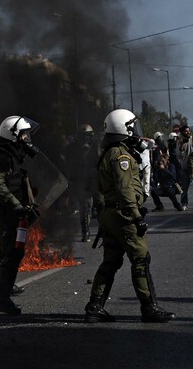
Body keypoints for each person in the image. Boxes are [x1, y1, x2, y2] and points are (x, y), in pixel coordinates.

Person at [84, 108, 175, 323]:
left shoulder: (109, 152)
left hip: (110, 213)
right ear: (123, 129)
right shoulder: (121, 155)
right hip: (123, 214)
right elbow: (125, 189)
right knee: (141, 259)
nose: (137, 132)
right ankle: (149, 308)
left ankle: (95, 307)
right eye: (133, 127)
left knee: (111, 261)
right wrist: (135, 215)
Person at [0, 116, 40, 315]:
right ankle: (0, 300)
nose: (27, 138)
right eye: (24, 134)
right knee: (10, 255)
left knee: (13, 254)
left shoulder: (13, 154)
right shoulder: (3, 156)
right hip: (6, 214)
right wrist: (16, 205)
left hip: (15, 213)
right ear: (14, 135)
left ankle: (0, 297)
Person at [65, 124, 103, 242]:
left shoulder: (96, 145)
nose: (85, 139)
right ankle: (85, 232)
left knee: (100, 205)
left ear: (91, 136)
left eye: (87, 136)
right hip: (81, 180)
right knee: (84, 207)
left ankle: (103, 230)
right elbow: (69, 164)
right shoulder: (72, 148)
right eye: (83, 136)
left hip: (95, 180)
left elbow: (101, 161)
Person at [177, 125, 193, 210]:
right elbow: (179, 153)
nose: (188, 132)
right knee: (184, 187)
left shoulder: (192, 139)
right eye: (186, 131)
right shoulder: (180, 141)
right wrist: (182, 143)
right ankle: (184, 203)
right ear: (182, 132)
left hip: (192, 166)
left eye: (189, 131)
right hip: (184, 167)